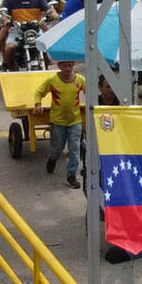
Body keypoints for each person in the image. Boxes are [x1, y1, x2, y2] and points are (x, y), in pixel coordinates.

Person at [34, 60, 87, 188]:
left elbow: (91, 93)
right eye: (64, 66)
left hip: (75, 121)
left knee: (74, 150)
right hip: (57, 121)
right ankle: (52, 159)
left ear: (73, 66)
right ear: (59, 66)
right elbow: (39, 92)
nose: (67, 69)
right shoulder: (52, 80)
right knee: (57, 147)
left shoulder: (80, 80)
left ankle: (71, 175)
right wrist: (38, 105)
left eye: (70, 65)